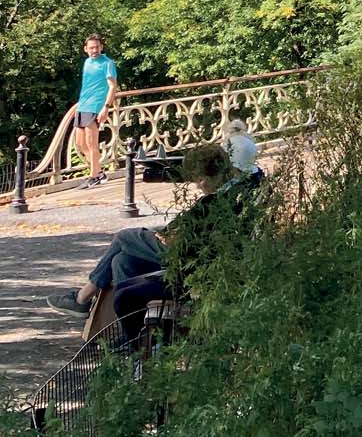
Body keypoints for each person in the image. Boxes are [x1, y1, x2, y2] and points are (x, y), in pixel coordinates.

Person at [49, 142, 265, 336]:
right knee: (122, 261)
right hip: (182, 248)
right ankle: (132, 334)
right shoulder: (238, 188)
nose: (197, 186)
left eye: (199, 181)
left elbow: (197, 237)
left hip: (185, 259)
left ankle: (82, 298)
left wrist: (169, 236)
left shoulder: (224, 199)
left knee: (124, 237)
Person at [71, 33, 118, 185]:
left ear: (101, 47)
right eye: (91, 48)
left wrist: (106, 107)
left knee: (92, 143)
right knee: (80, 143)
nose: (94, 50)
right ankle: (99, 172)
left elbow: (112, 87)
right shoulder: (87, 62)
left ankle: (93, 176)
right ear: (86, 49)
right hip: (83, 105)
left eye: (97, 47)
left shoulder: (107, 63)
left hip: (96, 106)